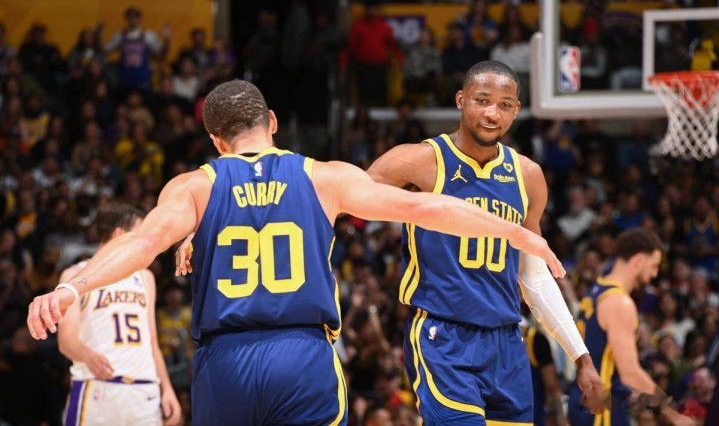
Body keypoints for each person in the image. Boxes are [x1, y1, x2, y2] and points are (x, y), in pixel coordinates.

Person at [27, 79, 563, 425]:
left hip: (225, 361)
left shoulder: (194, 187)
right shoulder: (324, 177)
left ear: (216, 141)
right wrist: (518, 234)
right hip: (303, 356)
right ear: (273, 123)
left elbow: (141, 243)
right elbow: (424, 208)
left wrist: (72, 287)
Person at [366, 60, 603, 424]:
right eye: (482, 100)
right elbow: (348, 199)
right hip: (444, 336)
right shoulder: (420, 161)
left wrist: (581, 356)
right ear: (461, 100)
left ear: (516, 110)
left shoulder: (528, 176)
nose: (493, 113)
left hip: (507, 343)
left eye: (504, 105)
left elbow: (533, 275)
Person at [57, 202, 180, 426]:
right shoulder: (75, 275)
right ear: (119, 234)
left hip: (144, 390)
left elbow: (152, 343)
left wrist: (167, 388)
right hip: (98, 387)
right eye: (139, 233)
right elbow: (66, 341)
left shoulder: (145, 277)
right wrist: (87, 355)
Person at [568, 228, 694, 426]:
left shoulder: (595, 289)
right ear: (638, 260)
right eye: (653, 266)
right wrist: (673, 414)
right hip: (602, 403)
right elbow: (630, 373)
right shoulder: (620, 302)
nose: (654, 274)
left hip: (583, 395)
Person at [104, 6, 170, 90]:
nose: (133, 19)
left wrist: (167, 40)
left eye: (136, 17)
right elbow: (106, 50)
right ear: (127, 19)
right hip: (125, 79)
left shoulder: (147, 35)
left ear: (140, 19)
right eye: (131, 17)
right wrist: (98, 37)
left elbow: (163, 53)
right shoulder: (120, 35)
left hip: (142, 80)